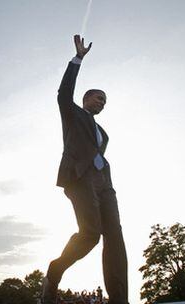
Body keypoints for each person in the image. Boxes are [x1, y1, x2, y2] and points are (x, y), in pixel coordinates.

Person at [41, 35, 128, 304]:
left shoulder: (103, 132)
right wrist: (77, 59)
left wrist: (107, 181)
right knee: (90, 235)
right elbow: (63, 92)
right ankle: (55, 271)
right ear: (86, 98)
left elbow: (98, 154)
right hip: (80, 178)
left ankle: (120, 300)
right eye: (98, 98)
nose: (102, 103)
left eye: (105, 102)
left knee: (115, 236)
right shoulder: (72, 112)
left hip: (105, 183)